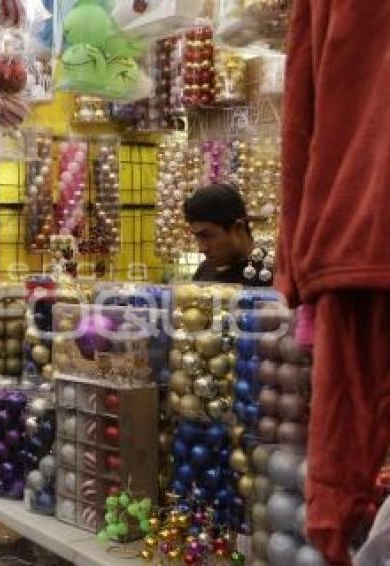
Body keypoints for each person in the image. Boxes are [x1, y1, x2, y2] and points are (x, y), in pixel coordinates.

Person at [279, 3, 390, 564]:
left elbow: (301, 102)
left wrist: (295, 263)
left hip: (355, 236)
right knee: (342, 500)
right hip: (357, 239)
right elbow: (302, 95)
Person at [182, 183, 271, 286]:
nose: (202, 248)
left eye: (206, 236)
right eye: (197, 237)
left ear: (238, 228)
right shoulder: (205, 270)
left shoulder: (270, 275)